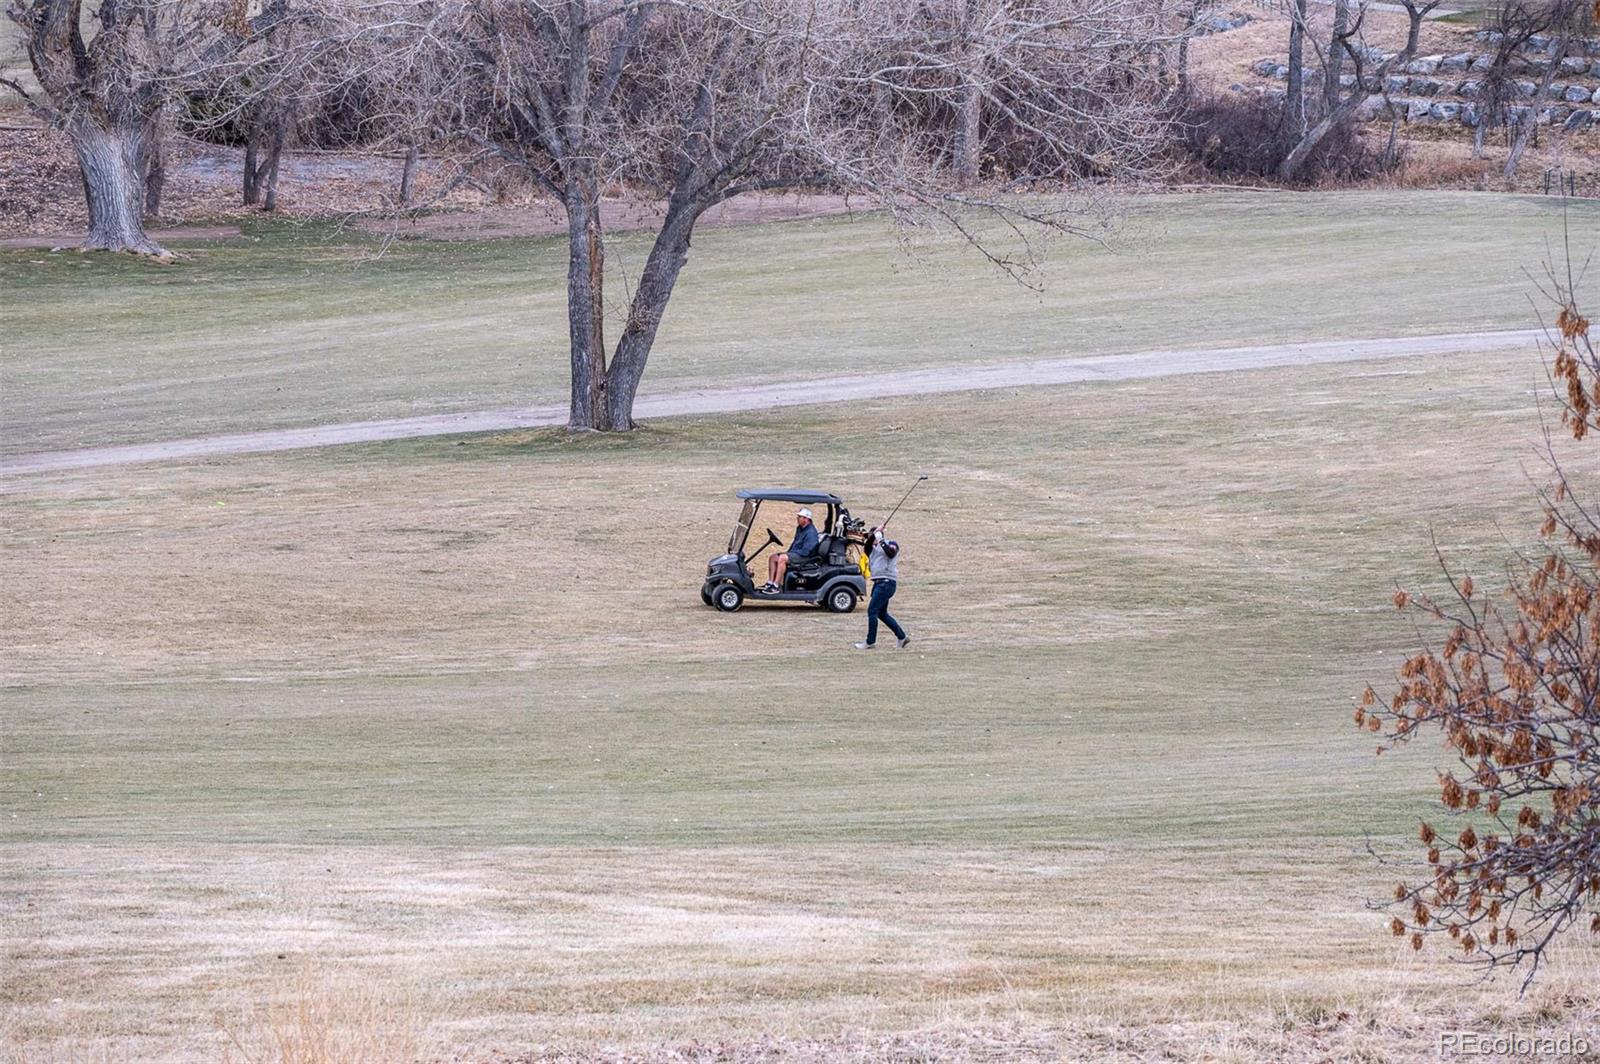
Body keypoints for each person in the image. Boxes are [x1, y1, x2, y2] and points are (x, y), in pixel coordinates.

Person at [854, 527, 909, 649]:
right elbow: (866, 547)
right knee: (882, 613)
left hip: (887, 582)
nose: (870, 538)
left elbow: (891, 553)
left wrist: (881, 540)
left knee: (872, 611)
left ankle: (870, 642)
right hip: (878, 583)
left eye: (872, 536)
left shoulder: (892, 544)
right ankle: (902, 637)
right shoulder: (871, 549)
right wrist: (874, 534)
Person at [761, 508, 819, 593]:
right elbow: (795, 542)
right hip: (797, 553)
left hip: (805, 557)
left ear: (806, 519)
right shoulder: (800, 528)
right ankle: (770, 582)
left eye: (800, 517)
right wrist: (789, 552)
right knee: (773, 558)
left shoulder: (811, 533)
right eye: (798, 516)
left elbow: (806, 551)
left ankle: (776, 586)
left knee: (782, 558)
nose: (797, 518)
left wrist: (789, 554)